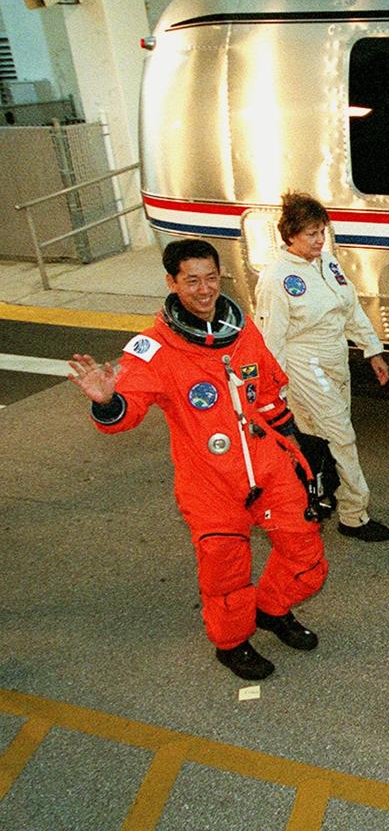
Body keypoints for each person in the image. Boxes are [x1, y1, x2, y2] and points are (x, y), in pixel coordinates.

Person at [68, 239, 328, 681]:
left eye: (211, 278)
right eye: (192, 281)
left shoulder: (242, 328)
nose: (204, 290)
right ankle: (232, 643)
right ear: (172, 282)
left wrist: (297, 447)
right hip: (209, 483)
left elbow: (266, 393)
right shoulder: (153, 349)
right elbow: (123, 415)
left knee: (307, 557)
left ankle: (271, 609)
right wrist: (107, 400)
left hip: (267, 467)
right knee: (226, 576)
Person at [254, 192, 389, 543]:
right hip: (302, 363)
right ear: (289, 235)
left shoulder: (328, 263)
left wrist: (372, 350)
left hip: (335, 357)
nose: (318, 240)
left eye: (321, 232)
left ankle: (316, 493)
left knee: (319, 436)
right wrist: (276, 391)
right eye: (310, 234)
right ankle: (354, 514)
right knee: (341, 436)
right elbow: (271, 341)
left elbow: (350, 309)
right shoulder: (277, 278)